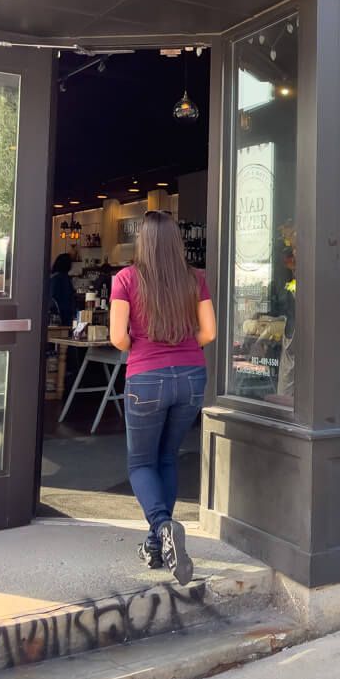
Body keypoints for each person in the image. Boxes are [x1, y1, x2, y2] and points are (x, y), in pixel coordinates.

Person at [109, 211, 217, 584]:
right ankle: (157, 546)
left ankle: (161, 526)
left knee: (140, 464)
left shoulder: (125, 279)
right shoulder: (194, 279)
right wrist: (182, 348)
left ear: (143, 242)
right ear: (176, 241)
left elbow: (117, 338)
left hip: (146, 378)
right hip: (191, 376)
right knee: (167, 458)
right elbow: (210, 332)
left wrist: (145, 346)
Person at [49, 253, 77, 328]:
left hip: (55, 313)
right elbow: (68, 297)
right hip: (65, 313)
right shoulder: (64, 278)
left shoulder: (53, 277)